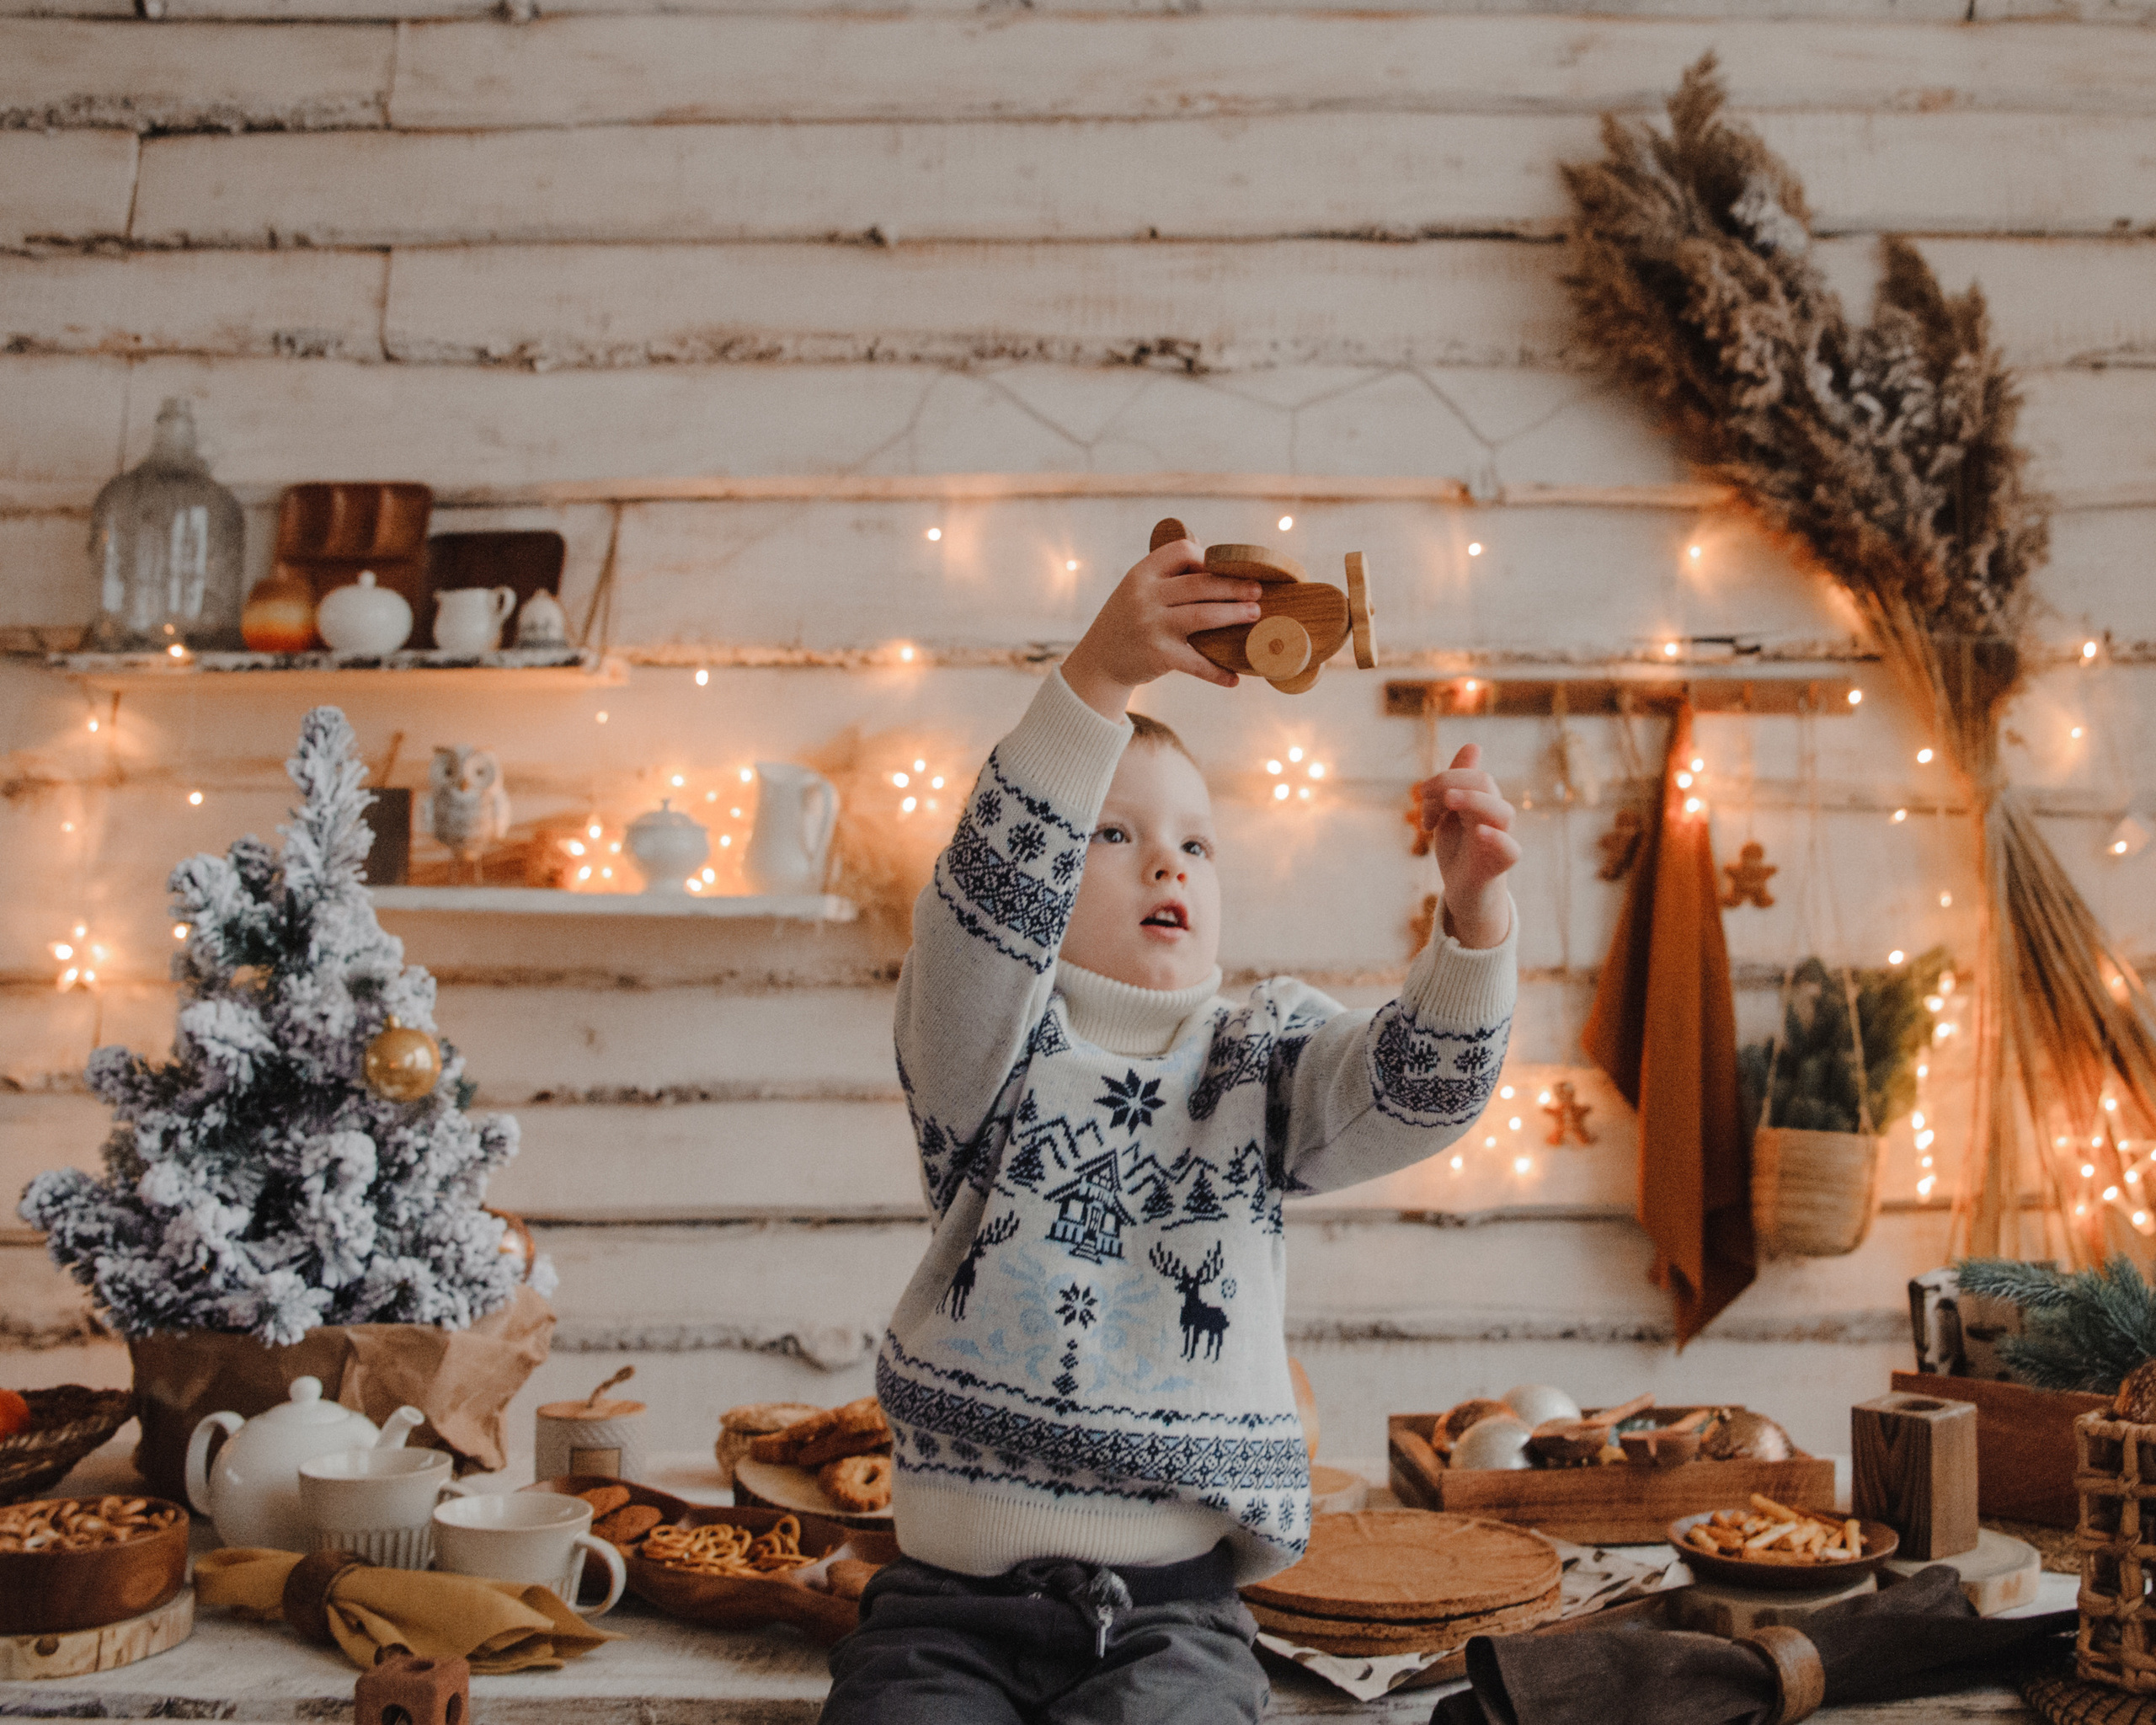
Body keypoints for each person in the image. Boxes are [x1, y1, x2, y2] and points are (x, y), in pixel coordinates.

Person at [819, 531, 1521, 1724]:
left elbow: (1417, 1090)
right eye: (1115, 834)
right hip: (949, 1612)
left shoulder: (1260, 1056)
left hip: (1175, 1617)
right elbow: (980, 916)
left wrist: (1475, 920)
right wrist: (1097, 680)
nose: (1169, 865)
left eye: (1197, 842)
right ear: (1044, 873)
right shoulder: (982, 1049)